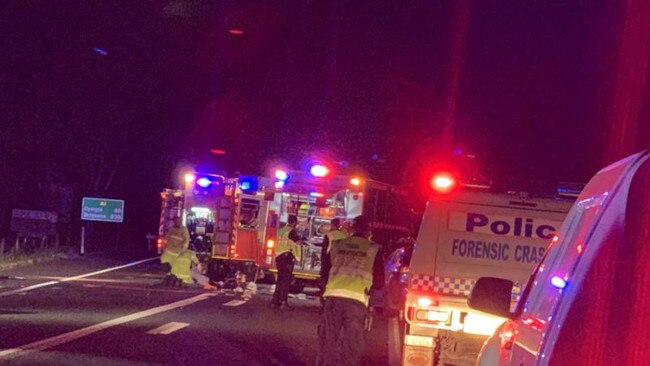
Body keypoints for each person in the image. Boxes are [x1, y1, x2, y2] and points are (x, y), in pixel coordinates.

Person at [317, 215, 384, 366]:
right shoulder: (373, 249)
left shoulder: (337, 244)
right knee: (352, 345)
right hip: (357, 300)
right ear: (368, 231)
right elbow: (379, 282)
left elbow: (324, 272)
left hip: (333, 298)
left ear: (351, 229)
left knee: (327, 341)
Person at [271, 215, 304, 308]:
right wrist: (302, 240)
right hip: (287, 258)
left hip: (279, 257)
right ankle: (283, 302)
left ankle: (275, 301)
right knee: (285, 281)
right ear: (294, 223)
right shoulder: (291, 231)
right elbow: (298, 242)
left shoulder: (281, 230)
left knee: (280, 280)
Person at [319, 218, 348, 290]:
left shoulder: (329, 235)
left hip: (329, 259)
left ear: (331, 225)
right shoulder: (344, 235)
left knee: (327, 279)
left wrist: (322, 263)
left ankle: (325, 294)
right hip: (341, 260)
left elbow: (324, 250)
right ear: (338, 225)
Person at [160, 217, 190, 284]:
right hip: (170, 250)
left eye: (178, 221)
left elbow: (186, 239)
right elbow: (167, 238)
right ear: (174, 222)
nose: (177, 222)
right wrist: (163, 247)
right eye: (176, 221)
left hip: (178, 250)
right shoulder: (171, 229)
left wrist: (183, 249)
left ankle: (177, 279)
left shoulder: (183, 229)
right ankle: (169, 278)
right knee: (168, 264)